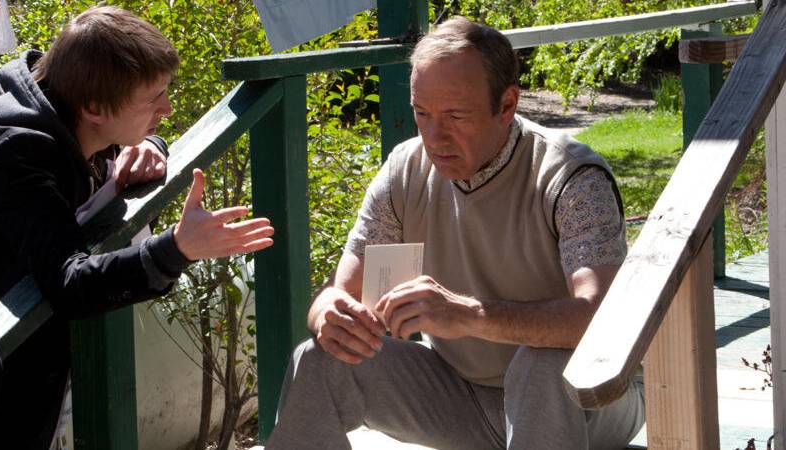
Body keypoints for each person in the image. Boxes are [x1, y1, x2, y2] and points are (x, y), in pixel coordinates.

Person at [266, 16, 644, 450]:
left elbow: (601, 320)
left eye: (455, 116)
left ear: (507, 105)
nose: (434, 136)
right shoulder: (405, 170)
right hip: (463, 396)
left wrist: (470, 315)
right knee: (319, 359)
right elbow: (340, 292)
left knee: (540, 366)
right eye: (421, 114)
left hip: (589, 396)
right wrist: (329, 315)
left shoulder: (570, 176)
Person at [0, 6, 274, 448]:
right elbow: (68, 282)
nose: (168, 108)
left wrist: (149, 146)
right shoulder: (17, 154)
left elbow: (120, 136)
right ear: (94, 107)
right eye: (153, 98)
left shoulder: (63, 96)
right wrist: (177, 248)